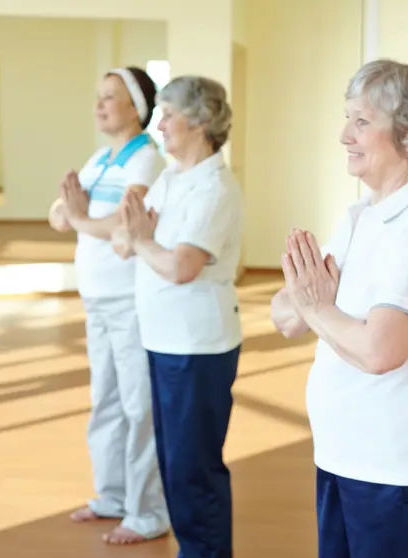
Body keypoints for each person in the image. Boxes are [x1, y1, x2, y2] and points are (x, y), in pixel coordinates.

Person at [270, 59, 408, 558]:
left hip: (402, 470)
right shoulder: (364, 214)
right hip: (346, 455)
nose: (344, 135)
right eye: (347, 118)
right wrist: (315, 307)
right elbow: (287, 315)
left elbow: (381, 349)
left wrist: (316, 304)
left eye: (361, 121)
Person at [112, 75, 242, 558]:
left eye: (168, 114)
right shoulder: (171, 177)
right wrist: (142, 240)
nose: (158, 123)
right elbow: (125, 242)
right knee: (173, 464)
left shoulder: (216, 189)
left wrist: (145, 240)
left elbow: (181, 266)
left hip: (197, 346)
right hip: (163, 339)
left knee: (194, 468)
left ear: (201, 121)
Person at [50, 67, 169, 545]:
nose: (99, 105)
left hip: (129, 298)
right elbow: (58, 213)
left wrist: (80, 216)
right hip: (96, 298)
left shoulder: (146, 161)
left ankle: (148, 512)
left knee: (139, 405)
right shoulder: (101, 157)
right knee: (106, 401)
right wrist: (79, 216)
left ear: (136, 107)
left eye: (110, 98)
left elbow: (125, 224)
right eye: (97, 96)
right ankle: (113, 496)